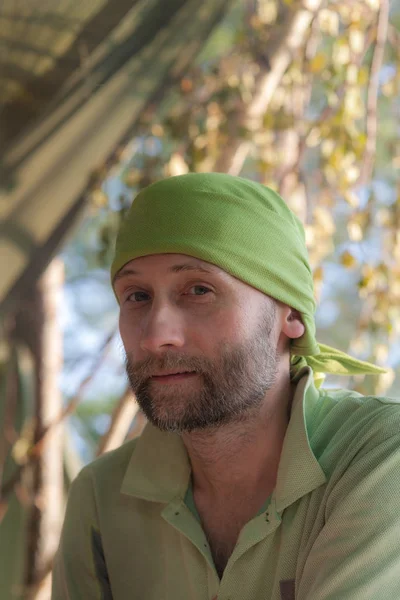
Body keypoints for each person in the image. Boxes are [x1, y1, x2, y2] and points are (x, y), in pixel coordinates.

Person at [52, 173, 400, 600]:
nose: (156, 334)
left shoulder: (377, 456)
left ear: (290, 315)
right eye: (137, 296)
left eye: (199, 290)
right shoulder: (102, 496)